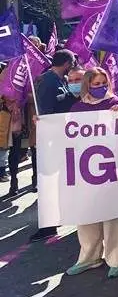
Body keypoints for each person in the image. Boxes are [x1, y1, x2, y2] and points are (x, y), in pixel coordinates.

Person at [64, 68, 118, 278]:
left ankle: (117, 258)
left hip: (112, 168)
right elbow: (66, 135)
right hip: (86, 170)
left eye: (104, 83)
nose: (101, 87)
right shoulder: (77, 108)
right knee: (86, 215)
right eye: (96, 84)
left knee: (112, 216)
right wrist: (44, 125)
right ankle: (89, 257)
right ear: (87, 85)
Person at [28, 49, 75, 241]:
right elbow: (45, 110)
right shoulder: (48, 82)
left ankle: (58, 216)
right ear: (66, 63)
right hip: (51, 139)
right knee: (50, 182)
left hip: (61, 138)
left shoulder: (60, 79)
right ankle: (48, 226)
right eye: (71, 63)